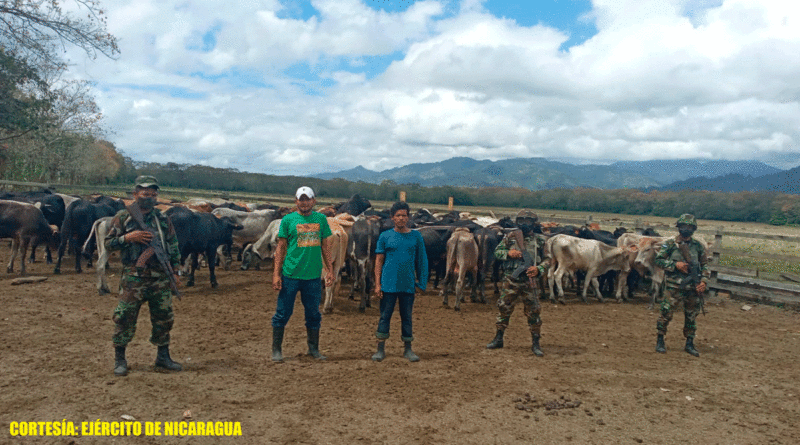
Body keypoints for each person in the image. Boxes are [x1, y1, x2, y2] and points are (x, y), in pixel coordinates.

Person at [105, 176, 183, 376]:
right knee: (125, 317)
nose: (149, 197)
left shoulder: (163, 218)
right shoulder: (124, 217)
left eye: (153, 194)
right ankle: (120, 359)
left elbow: (173, 246)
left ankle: (163, 357)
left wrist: (176, 271)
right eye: (145, 194)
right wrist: (127, 238)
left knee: (164, 317)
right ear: (135, 194)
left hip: (160, 277)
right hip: (134, 277)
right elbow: (108, 243)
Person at [271, 186, 334, 362]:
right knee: (283, 313)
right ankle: (277, 350)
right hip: (290, 275)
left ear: (314, 201)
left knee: (313, 314)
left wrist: (329, 270)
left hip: (313, 277)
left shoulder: (321, 219)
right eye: (301, 199)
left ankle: (313, 349)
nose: (305, 202)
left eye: (308, 199)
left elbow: (326, 246)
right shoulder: (288, 220)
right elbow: (281, 247)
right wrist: (276, 274)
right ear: (296, 201)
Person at [486, 209, 551, 356]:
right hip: (511, 279)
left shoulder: (540, 240)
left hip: (529, 281)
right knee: (504, 308)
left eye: (527, 221)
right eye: (521, 221)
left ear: (534, 224)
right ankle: (498, 338)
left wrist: (539, 268)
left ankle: (536, 343)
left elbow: (549, 260)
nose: (524, 224)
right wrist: (508, 253)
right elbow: (497, 252)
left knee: (533, 311)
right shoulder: (510, 237)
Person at [371, 201, 428, 362]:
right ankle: (380, 349)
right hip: (388, 285)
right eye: (398, 216)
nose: (401, 218)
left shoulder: (416, 236)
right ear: (392, 218)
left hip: (408, 285)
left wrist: (421, 283)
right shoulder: (385, 236)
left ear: (408, 217)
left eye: (404, 215)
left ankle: (408, 349)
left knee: (407, 317)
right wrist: (377, 284)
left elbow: (422, 261)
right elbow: (379, 261)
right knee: (385, 316)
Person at [653, 214, 710, 357]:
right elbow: (659, 260)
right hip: (673, 286)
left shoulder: (698, 246)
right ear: (678, 227)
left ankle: (689, 343)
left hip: (693, 286)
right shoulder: (670, 244)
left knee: (691, 315)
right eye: (683, 226)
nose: (686, 229)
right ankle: (660, 340)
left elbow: (704, 265)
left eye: (689, 227)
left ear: (694, 228)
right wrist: (675, 265)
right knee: (666, 313)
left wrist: (703, 281)